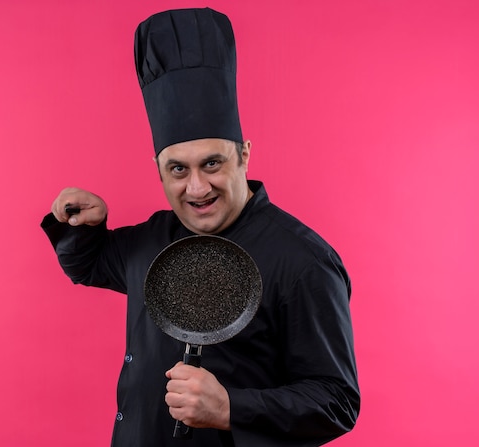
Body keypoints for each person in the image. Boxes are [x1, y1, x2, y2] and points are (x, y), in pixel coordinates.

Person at [41, 7, 360, 447]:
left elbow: (336, 402)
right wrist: (84, 226)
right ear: (158, 169)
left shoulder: (302, 261)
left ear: (244, 155)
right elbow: (87, 265)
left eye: (213, 163)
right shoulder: (154, 237)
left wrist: (232, 409)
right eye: (177, 170)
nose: (196, 187)